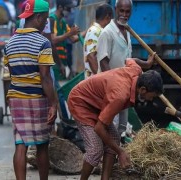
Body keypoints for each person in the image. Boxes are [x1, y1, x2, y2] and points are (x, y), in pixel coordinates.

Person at [67, 55, 162, 180]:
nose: (151, 99)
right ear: (143, 90)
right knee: (95, 150)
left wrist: (147, 63)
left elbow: (129, 59)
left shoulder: (136, 70)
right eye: (152, 96)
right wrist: (120, 152)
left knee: (114, 138)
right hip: (80, 102)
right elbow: (99, 128)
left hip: (98, 104)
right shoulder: (120, 96)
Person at [3, 0, 57, 179]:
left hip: (16, 98)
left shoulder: (9, 43)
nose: (46, 23)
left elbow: (12, 74)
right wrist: (53, 104)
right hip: (36, 99)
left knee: (20, 143)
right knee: (41, 145)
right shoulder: (43, 43)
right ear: (39, 17)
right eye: (45, 19)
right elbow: (45, 77)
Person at [97, 0, 133, 136]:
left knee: (121, 129)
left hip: (124, 89)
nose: (124, 15)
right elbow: (103, 62)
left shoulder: (127, 31)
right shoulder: (107, 33)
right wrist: (115, 86)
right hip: (111, 90)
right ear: (115, 9)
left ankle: (117, 155)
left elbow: (127, 60)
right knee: (111, 128)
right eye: (121, 11)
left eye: (127, 11)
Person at [49, 0, 84, 80]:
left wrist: (88, 31)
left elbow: (73, 39)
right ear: (60, 7)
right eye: (68, 8)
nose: (70, 11)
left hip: (61, 63)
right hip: (53, 63)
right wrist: (70, 33)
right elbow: (53, 40)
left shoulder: (63, 22)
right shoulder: (52, 19)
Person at [84, 3, 113, 78]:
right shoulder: (95, 31)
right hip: (94, 81)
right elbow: (91, 56)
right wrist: (99, 78)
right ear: (108, 17)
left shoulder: (100, 30)